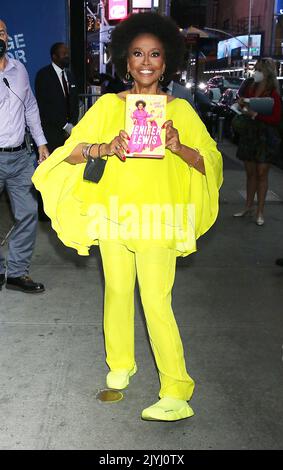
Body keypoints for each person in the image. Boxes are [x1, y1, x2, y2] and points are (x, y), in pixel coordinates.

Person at [32, 12, 222, 421]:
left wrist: (177, 146)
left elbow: (211, 163)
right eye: (137, 53)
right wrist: (105, 146)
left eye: (155, 54)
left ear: (166, 61)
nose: (146, 61)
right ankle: (121, 363)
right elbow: (72, 152)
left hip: (158, 218)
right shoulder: (106, 106)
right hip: (115, 215)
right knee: (116, 294)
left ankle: (176, 389)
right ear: (125, 60)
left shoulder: (183, 112)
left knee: (156, 301)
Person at [0, 19, 49, 294]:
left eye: (2, 32)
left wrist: (41, 142)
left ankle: (17, 272)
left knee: (29, 213)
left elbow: (30, 107)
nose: (0, 37)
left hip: (20, 157)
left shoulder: (19, 70)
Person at [233, 58, 281, 226]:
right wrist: (242, 105)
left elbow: (276, 118)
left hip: (265, 136)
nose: (256, 73)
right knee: (250, 173)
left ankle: (260, 211)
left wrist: (255, 114)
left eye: (259, 70)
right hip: (250, 134)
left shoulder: (273, 93)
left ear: (267, 72)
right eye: (256, 69)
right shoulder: (251, 87)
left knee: (262, 173)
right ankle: (248, 206)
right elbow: (244, 105)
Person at [35, 42, 79, 153]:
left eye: (67, 53)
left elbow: (74, 102)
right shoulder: (43, 75)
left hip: (70, 134)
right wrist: (64, 125)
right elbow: (44, 106)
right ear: (54, 56)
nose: (67, 56)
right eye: (64, 53)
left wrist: (72, 125)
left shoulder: (70, 75)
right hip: (52, 134)